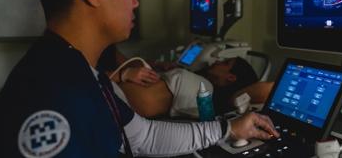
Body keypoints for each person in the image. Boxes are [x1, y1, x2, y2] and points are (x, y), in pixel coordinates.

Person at [0, 0, 279, 158]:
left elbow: (144, 136)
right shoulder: (53, 96)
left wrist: (228, 129)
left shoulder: (81, 70)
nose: (135, 2)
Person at [106, 53, 274, 118]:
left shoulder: (206, 91)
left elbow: (265, 89)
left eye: (226, 62)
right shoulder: (200, 81)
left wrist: (123, 75)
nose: (219, 60)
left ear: (230, 77)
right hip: (108, 94)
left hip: (108, 101)